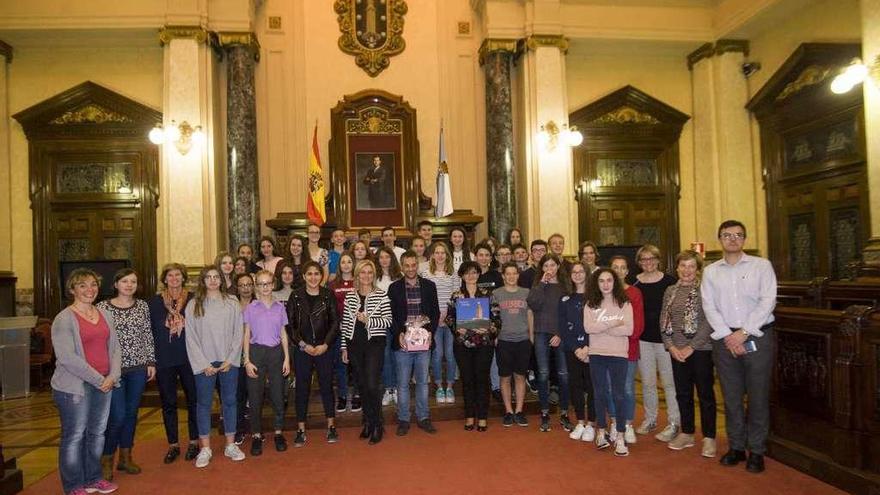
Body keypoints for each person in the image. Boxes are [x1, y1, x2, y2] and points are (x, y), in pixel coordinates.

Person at [702, 220, 776, 473]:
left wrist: (743, 333)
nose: (732, 239)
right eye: (727, 235)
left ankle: (756, 450)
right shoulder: (711, 271)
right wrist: (728, 335)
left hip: (757, 337)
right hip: (724, 341)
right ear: (719, 239)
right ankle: (736, 447)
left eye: (738, 235)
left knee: (757, 397)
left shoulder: (761, 266)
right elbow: (709, 306)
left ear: (744, 239)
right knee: (731, 397)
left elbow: (768, 301)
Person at [52, 268, 121, 495]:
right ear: (72, 289)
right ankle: (73, 485)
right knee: (74, 436)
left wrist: (112, 376)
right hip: (75, 387)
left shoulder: (104, 313)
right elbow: (67, 358)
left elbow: (115, 348)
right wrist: (98, 379)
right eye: (82, 285)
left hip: (104, 384)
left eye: (93, 284)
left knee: (97, 434)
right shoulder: (64, 319)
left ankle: (93, 478)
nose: (89, 290)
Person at [96, 269, 155, 480]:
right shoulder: (102, 308)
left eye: (133, 282)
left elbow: (147, 334)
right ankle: (106, 459)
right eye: (124, 281)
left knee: (131, 414)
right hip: (114, 371)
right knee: (117, 415)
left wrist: (150, 361)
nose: (129, 285)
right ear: (116, 284)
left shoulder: (142, 306)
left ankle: (126, 457)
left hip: (138, 368)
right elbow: (99, 340)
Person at [185, 267, 245, 467]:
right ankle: (205, 448)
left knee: (229, 401)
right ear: (203, 280)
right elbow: (191, 337)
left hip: (229, 361)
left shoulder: (232, 302)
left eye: (216, 277)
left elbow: (239, 332)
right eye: (208, 277)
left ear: (221, 280)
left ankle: (230, 444)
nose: (212, 281)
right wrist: (203, 364)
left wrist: (230, 359)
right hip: (204, 363)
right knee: (203, 404)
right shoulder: (194, 304)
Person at [661, 250, 717, 458]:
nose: (686, 270)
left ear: (698, 269)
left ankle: (709, 437)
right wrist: (671, 346)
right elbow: (664, 320)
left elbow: (709, 320)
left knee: (705, 394)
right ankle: (687, 433)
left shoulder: (705, 290)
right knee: (682, 393)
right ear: (677, 268)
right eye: (683, 265)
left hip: (701, 350)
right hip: (676, 351)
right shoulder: (670, 291)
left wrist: (691, 347)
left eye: (691, 266)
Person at [148, 263, 199, 464]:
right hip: (164, 358)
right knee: (168, 403)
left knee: (193, 401)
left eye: (178, 275)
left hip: (189, 358)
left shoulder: (194, 300)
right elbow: (149, 331)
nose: (174, 278)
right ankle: (173, 444)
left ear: (183, 278)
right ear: (164, 279)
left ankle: (194, 441)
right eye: (170, 275)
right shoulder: (154, 302)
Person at [340, 260, 392, 445]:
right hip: (355, 345)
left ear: (374, 275)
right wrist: (344, 347)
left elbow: (388, 321)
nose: (366, 276)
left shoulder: (381, 295)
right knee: (362, 386)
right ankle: (368, 421)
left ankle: (378, 424)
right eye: (363, 272)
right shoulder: (350, 297)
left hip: (374, 344)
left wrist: (369, 320)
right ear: (357, 275)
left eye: (370, 272)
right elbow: (345, 324)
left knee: (372, 385)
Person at [388, 251, 440, 436]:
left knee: (422, 383)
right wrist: (399, 334)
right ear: (402, 267)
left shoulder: (429, 286)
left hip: (424, 343)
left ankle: (423, 417)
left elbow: (435, 313)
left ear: (417, 265)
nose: (410, 268)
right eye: (407, 265)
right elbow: (391, 316)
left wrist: (431, 332)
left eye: (413, 265)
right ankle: (403, 419)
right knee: (402, 383)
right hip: (403, 344)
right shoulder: (394, 288)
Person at [288, 261, 339, 446]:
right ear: (303, 276)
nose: (313, 277)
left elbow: (335, 323)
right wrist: (303, 344)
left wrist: (325, 344)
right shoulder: (295, 296)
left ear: (321, 276)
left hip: (324, 349)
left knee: (326, 386)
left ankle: (331, 426)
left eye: (316, 274)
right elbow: (291, 326)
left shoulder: (328, 295)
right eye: (309, 274)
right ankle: (301, 429)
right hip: (303, 350)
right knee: (302, 389)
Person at [633, 244, 680, 442]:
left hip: (666, 342)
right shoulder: (634, 283)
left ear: (658, 259)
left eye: (651, 258)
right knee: (648, 383)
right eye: (644, 259)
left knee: (669, 383)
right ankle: (650, 419)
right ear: (639, 263)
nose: (648, 263)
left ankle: (674, 423)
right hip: (643, 340)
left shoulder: (670, 282)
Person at [585, 268, 634, 457]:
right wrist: (613, 324)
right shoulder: (590, 304)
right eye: (601, 281)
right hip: (597, 353)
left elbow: (629, 330)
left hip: (618, 354)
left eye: (609, 280)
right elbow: (589, 327)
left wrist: (602, 328)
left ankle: (620, 435)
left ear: (615, 283)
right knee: (599, 393)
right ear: (596, 284)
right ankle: (601, 432)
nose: (606, 284)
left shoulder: (624, 303)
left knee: (619, 394)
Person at [242, 270, 291, 455]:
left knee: (278, 395)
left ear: (273, 284)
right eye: (261, 284)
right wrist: (246, 360)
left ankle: (278, 432)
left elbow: (283, 334)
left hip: (276, 353)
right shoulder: (251, 308)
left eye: (268, 283)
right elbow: (246, 335)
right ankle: (256, 435)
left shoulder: (280, 307)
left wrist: (287, 358)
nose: (265, 287)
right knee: (255, 397)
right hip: (256, 352)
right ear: (257, 286)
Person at [446, 261, 498, 431]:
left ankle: (482, 417)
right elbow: (450, 318)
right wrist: (457, 329)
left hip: (484, 343)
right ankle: (469, 416)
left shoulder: (488, 295)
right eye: (467, 273)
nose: (471, 276)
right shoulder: (456, 296)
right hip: (463, 344)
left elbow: (497, 318)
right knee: (467, 380)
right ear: (461, 275)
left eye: (474, 272)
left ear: (478, 274)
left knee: (482, 379)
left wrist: (489, 328)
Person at [527, 253, 572, 432]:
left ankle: (564, 413)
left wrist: (560, 333)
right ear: (542, 268)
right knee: (543, 374)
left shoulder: (565, 286)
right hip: (541, 332)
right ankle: (544, 412)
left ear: (558, 267)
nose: (549, 269)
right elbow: (532, 303)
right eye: (546, 266)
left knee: (563, 374)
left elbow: (569, 313)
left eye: (553, 265)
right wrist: (542, 284)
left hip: (559, 334)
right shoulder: (539, 285)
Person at [608, 256, 645, 444]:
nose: (619, 270)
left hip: (628, 349)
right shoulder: (604, 292)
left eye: (623, 267)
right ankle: (615, 423)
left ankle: (628, 424)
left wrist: (620, 332)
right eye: (615, 267)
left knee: (627, 389)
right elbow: (601, 321)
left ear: (627, 271)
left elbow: (637, 325)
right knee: (610, 388)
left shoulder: (635, 293)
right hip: (607, 349)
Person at [492, 262, 533, 428]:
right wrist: (495, 336)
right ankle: (508, 411)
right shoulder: (496, 293)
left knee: (520, 376)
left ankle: (519, 410)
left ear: (518, 275)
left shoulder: (526, 293)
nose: (510, 276)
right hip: (504, 340)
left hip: (523, 340)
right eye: (507, 273)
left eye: (513, 273)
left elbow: (530, 314)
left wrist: (531, 336)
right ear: (503, 276)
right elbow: (493, 316)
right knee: (505, 377)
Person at [559, 261, 596, 442]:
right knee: (576, 386)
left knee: (592, 387)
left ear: (587, 274)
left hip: (593, 349)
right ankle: (580, 421)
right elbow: (563, 328)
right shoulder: (566, 299)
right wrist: (576, 348)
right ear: (570, 275)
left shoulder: (596, 297)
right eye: (574, 272)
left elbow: (597, 325)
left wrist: (588, 347)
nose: (578, 274)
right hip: (572, 350)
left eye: (581, 271)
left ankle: (592, 424)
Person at [421, 241, 460, 404]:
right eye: (437, 252)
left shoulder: (454, 273)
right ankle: (439, 386)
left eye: (443, 252)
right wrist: (436, 317)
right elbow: (426, 299)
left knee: (450, 355)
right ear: (432, 255)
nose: (440, 255)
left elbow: (457, 296)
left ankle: (449, 386)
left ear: (447, 255)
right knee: (436, 356)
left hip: (450, 320)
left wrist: (447, 314)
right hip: (434, 321)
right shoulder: (426, 274)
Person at [329, 252, 361, 413]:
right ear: (339, 265)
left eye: (349, 262)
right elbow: (331, 307)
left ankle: (356, 395)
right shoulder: (333, 284)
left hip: (356, 329)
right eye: (343, 262)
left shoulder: (359, 282)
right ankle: (342, 395)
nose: (346, 265)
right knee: (341, 364)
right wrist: (337, 324)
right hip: (338, 329)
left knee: (355, 362)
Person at [375, 246, 402, 406]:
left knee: (397, 355)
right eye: (381, 257)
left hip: (397, 322)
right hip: (380, 323)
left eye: (387, 257)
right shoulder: (374, 278)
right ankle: (388, 388)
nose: (384, 260)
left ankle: (398, 388)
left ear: (392, 258)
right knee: (385, 357)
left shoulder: (399, 277)